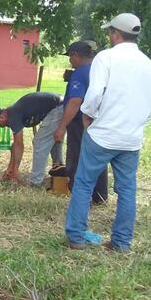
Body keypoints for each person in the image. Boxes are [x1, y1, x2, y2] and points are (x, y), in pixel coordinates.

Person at [65, 13, 151, 252]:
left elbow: (95, 94)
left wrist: (87, 115)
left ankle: (76, 236)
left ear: (116, 33)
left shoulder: (106, 57)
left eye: (110, 32)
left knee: (84, 184)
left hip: (103, 134)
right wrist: (136, 125)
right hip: (131, 139)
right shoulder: (149, 65)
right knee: (127, 190)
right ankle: (121, 242)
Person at [53, 41, 108, 204]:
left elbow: (76, 101)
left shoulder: (80, 72)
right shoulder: (102, 70)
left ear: (75, 55)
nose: (70, 61)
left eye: (70, 57)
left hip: (80, 122)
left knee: (76, 157)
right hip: (101, 120)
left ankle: (79, 196)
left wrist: (61, 127)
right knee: (98, 157)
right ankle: (99, 196)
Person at [0, 91, 64, 185]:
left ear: (2, 117)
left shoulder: (13, 116)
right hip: (60, 104)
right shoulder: (13, 112)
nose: (2, 127)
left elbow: (19, 144)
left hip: (57, 107)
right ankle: (59, 171)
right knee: (52, 138)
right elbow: (15, 145)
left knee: (39, 142)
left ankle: (35, 181)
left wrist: (16, 170)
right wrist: (10, 168)